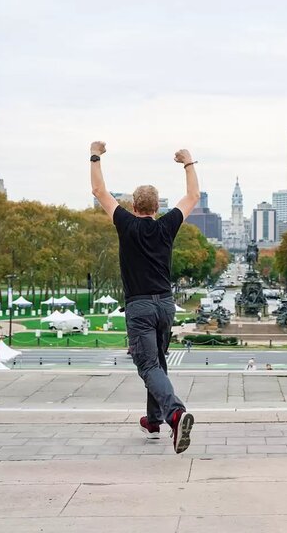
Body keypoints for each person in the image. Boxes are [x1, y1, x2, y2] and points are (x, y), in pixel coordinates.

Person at [90, 141, 198, 453]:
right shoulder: (167, 226)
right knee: (158, 363)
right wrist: (188, 162)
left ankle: (175, 414)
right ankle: (154, 420)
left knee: (149, 365)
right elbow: (192, 196)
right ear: (157, 207)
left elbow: (99, 191)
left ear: (134, 207)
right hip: (165, 305)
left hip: (139, 306)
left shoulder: (126, 224)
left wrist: (95, 154)